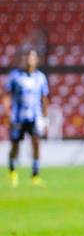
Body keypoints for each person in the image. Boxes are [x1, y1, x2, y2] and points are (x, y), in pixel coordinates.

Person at [3, 49, 49, 188]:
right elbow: (6, 96)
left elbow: (44, 98)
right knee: (15, 145)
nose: (29, 59)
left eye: (32, 57)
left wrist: (45, 119)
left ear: (36, 60)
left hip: (34, 117)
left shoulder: (40, 77)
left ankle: (35, 174)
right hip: (18, 117)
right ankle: (12, 171)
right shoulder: (15, 76)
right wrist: (7, 113)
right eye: (27, 56)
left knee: (36, 143)